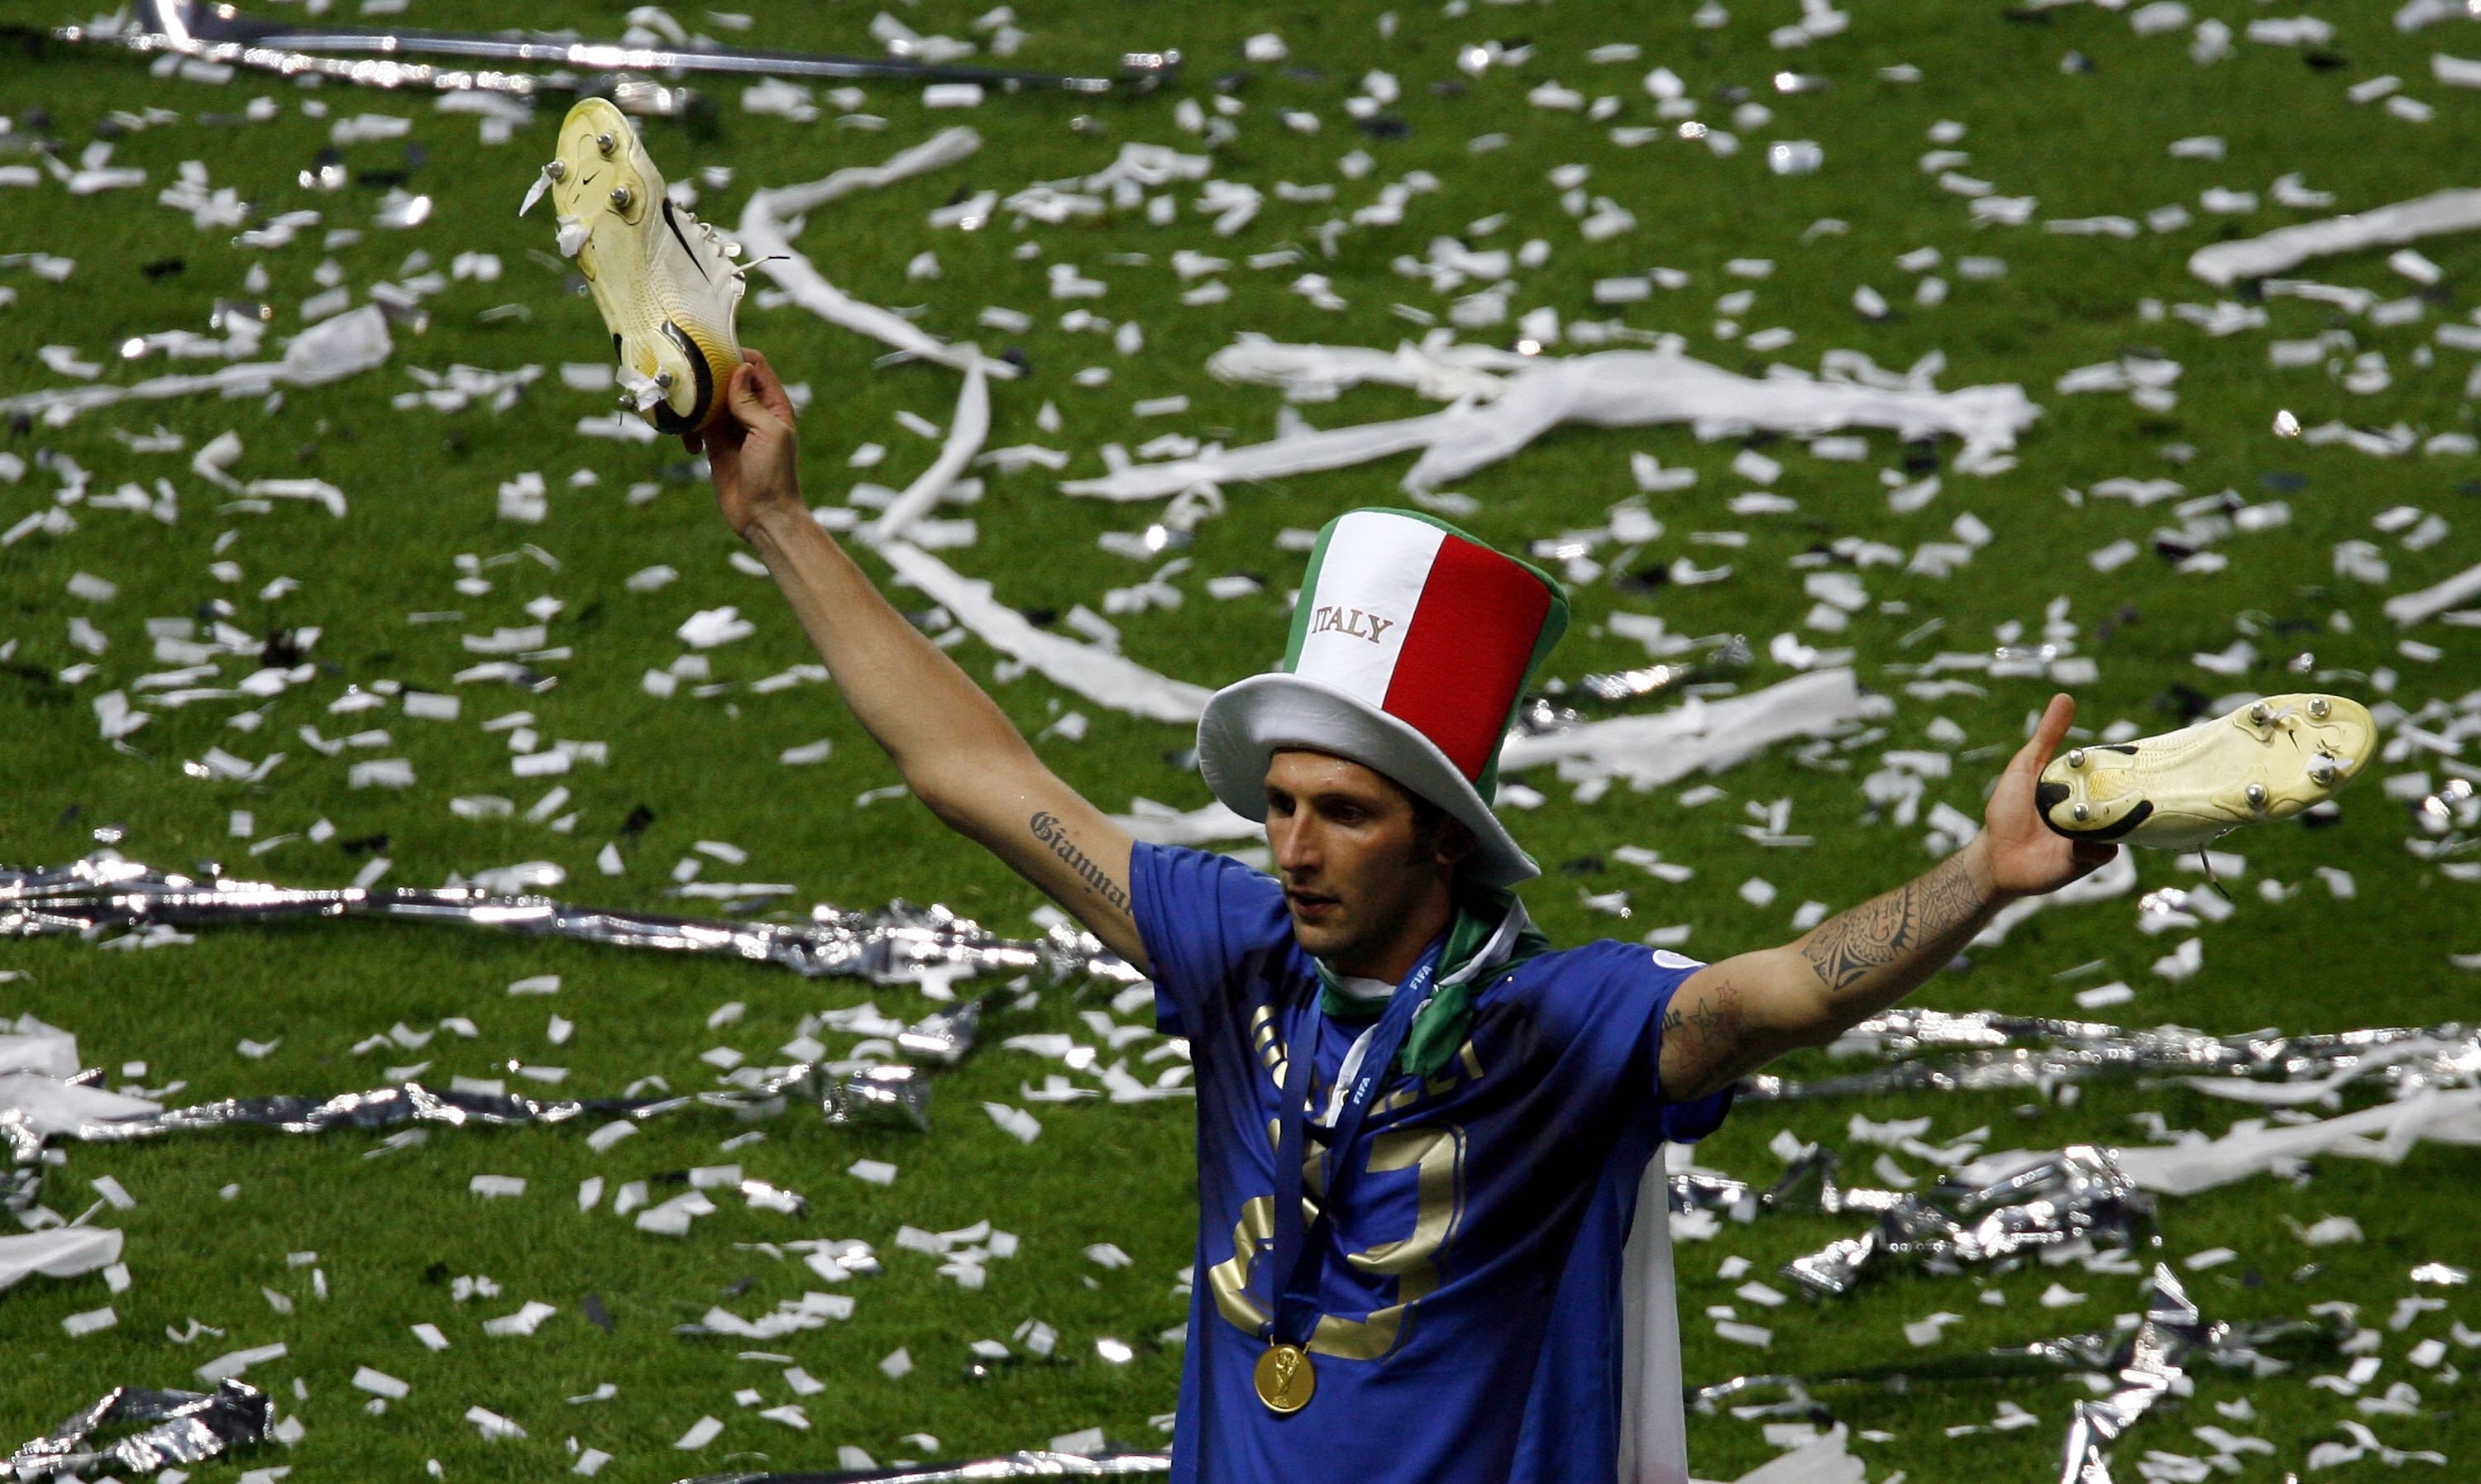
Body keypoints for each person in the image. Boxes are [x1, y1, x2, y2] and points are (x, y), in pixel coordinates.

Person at [692, 351, 2117, 1482]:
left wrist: (1980, 877)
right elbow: (974, 774)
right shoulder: (1236, 947)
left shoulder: (1556, 1028)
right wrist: (778, 522)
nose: (1292, 847)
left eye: (1345, 813)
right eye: (1279, 803)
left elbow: (1786, 993)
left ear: (1442, 838)